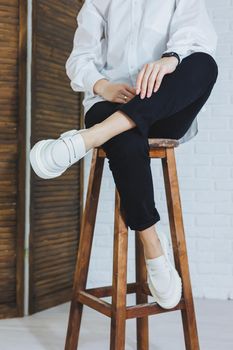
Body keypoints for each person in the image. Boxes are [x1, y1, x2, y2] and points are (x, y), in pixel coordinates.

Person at [29, 0, 219, 309]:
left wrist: (170, 59)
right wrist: (104, 86)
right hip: (110, 101)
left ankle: (91, 138)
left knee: (204, 64)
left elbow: (197, 36)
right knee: (127, 137)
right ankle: (153, 245)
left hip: (164, 102)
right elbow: (79, 59)